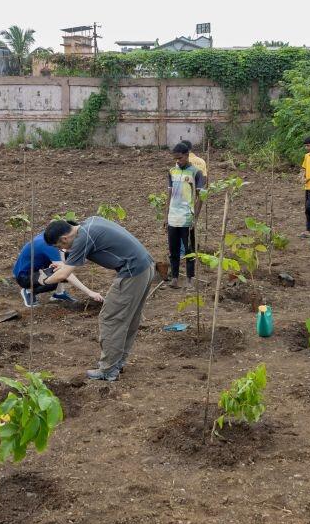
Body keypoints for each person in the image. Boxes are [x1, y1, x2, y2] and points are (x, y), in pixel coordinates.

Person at [42, 217, 155, 381]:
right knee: (128, 318)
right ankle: (117, 363)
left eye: (60, 246)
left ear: (65, 238)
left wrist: (43, 281)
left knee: (110, 318)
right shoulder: (91, 222)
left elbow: (65, 274)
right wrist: (65, 265)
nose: (62, 249)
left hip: (132, 273)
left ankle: (108, 369)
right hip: (146, 266)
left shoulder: (82, 238)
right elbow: (85, 253)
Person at [13, 231, 104, 307]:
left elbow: (62, 262)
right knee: (56, 278)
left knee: (65, 262)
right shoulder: (49, 246)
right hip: (24, 277)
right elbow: (64, 272)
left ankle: (59, 294)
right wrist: (90, 292)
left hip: (36, 268)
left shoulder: (50, 236)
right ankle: (29, 291)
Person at [165, 142, 206, 288]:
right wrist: (166, 216)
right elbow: (169, 194)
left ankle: (189, 280)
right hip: (173, 218)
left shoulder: (196, 173)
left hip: (188, 218)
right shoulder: (172, 171)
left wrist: (195, 217)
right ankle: (175, 278)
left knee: (189, 250)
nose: (178, 161)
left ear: (187, 155)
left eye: (180, 158)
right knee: (173, 250)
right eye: (175, 159)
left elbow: (201, 196)